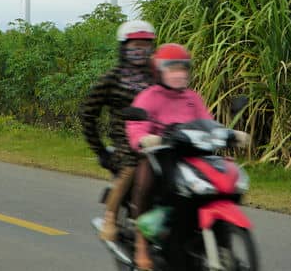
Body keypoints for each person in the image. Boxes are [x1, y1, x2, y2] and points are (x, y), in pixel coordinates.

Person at [125, 43, 211, 271]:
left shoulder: (192, 98)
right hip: (159, 156)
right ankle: (141, 245)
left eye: (183, 68)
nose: (179, 74)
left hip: (190, 157)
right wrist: (144, 139)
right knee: (146, 178)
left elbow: (208, 122)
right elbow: (136, 126)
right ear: (159, 71)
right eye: (172, 68)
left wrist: (230, 134)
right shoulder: (148, 97)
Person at [79, 19, 157, 242]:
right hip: (125, 141)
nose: (140, 50)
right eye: (135, 46)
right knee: (132, 166)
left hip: (158, 136)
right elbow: (88, 113)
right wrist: (100, 151)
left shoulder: (157, 76)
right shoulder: (112, 78)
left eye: (145, 45)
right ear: (124, 48)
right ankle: (110, 218)